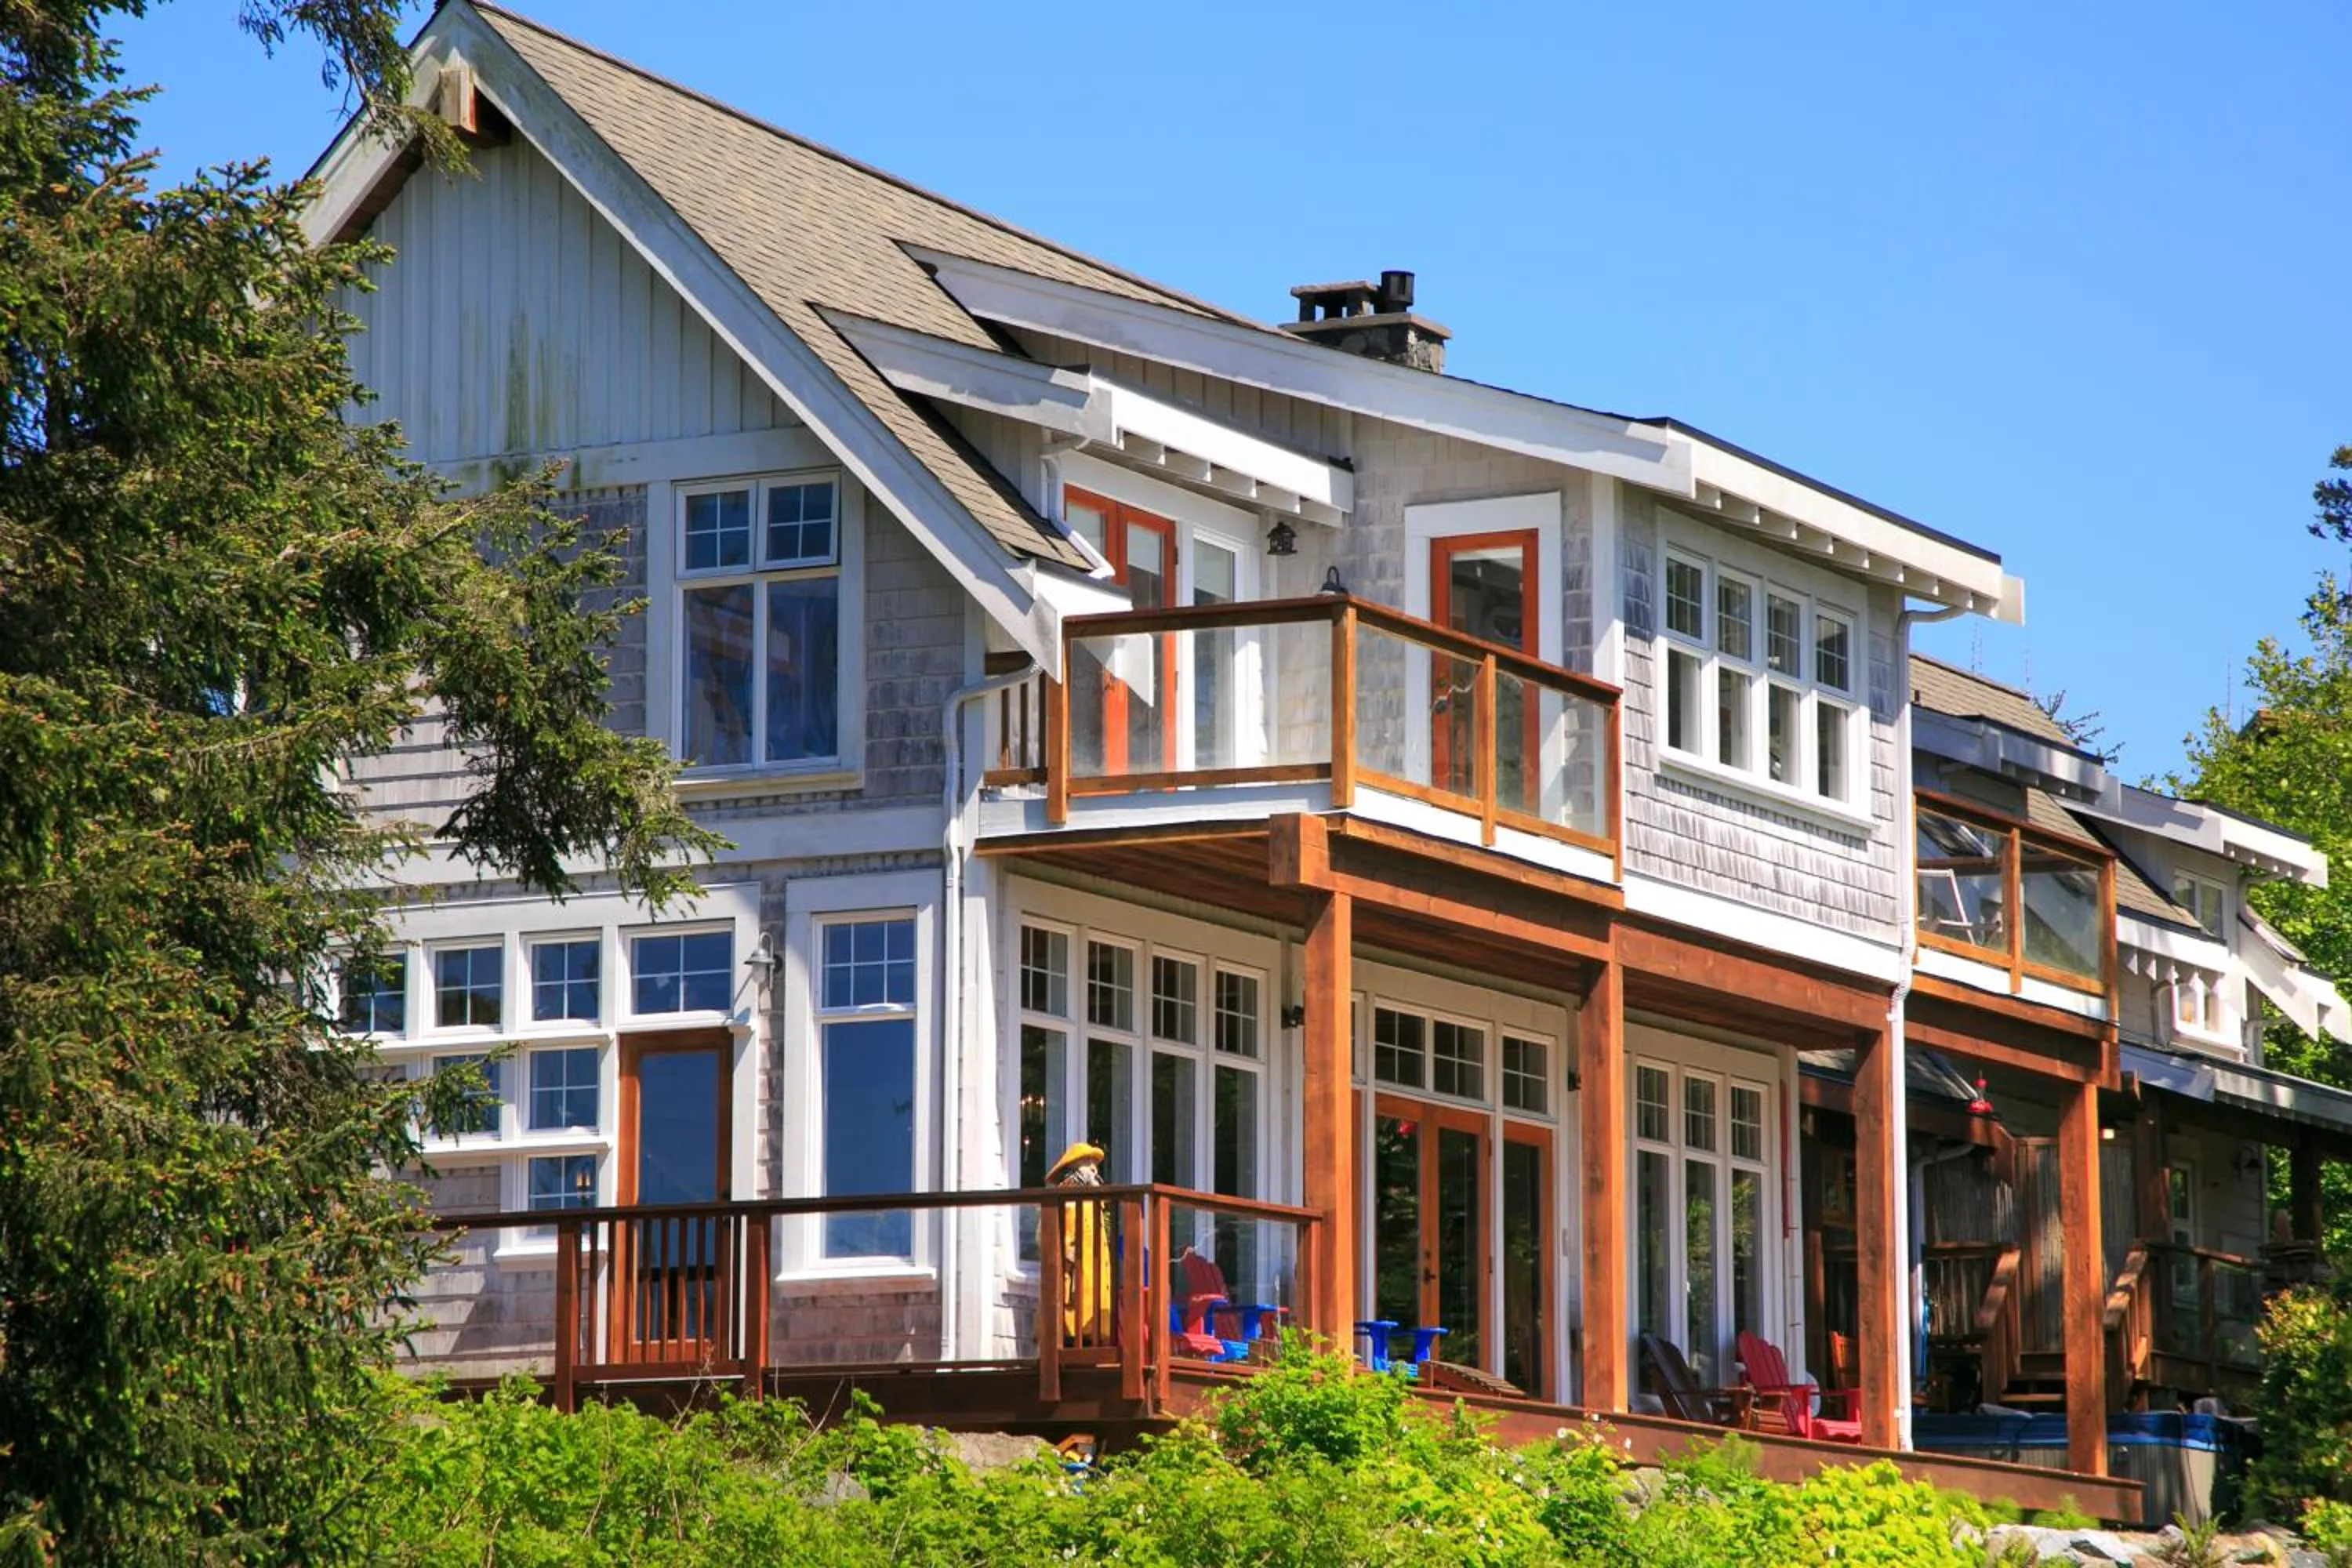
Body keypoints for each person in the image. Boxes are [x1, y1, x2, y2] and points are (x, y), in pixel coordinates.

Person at [1046, 1142, 1110, 1342]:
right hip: (1073, 1279)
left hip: (1093, 1276)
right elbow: (1048, 1234)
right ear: (1073, 1168)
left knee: (1092, 1321)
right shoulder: (1066, 1199)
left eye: (1095, 1162)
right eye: (1087, 1162)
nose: (1094, 1168)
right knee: (1072, 1326)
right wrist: (1067, 1251)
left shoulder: (1094, 1201)